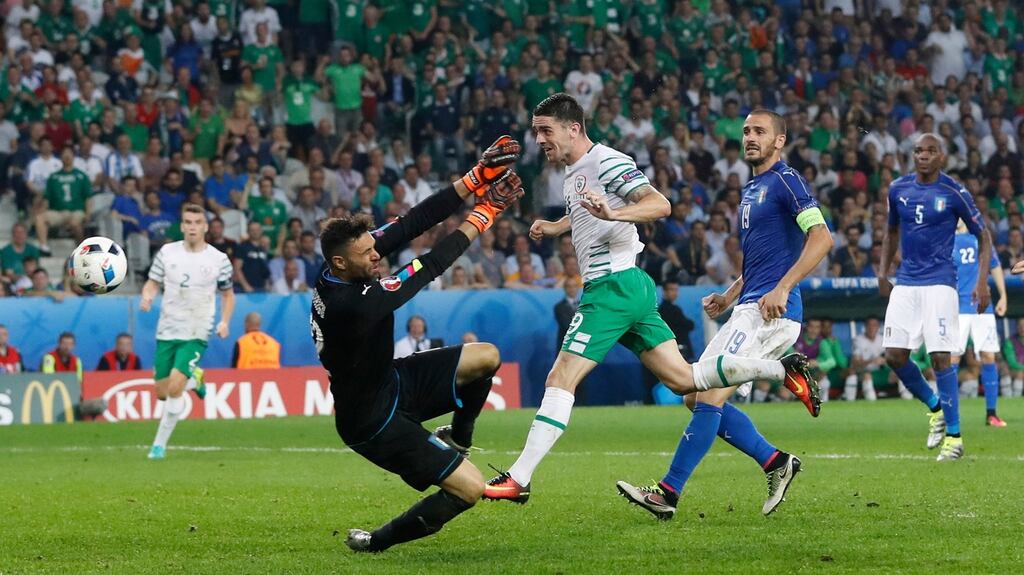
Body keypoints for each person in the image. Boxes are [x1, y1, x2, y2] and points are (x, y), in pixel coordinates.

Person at [485, 95, 819, 506]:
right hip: (633, 289)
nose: (538, 139)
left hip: (613, 287)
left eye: (545, 130)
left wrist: (614, 215)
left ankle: (522, 478)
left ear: (573, 128)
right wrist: (557, 226)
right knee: (686, 384)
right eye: (536, 131)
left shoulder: (607, 161)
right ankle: (774, 452)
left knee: (561, 378)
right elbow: (592, 211)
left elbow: (659, 203)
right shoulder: (575, 173)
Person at [310, 137, 524, 553]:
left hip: (391, 382)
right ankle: (375, 542)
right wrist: (485, 212)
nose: (377, 255)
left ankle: (459, 437)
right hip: (371, 423)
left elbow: (411, 224)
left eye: (374, 247)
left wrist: (475, 178)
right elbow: (427, 266)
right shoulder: (350, 305)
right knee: (470, 488)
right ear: (340, 263)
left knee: (486, 356)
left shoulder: (343, 265)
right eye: (368, 253)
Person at [616, 109, 832, 519]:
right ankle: (775, 462)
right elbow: (759, 261)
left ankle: (667, 493)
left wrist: (783, 288)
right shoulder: (752, 190)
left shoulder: (787, 181)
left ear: (779, 141)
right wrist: (731, 293)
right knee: (692, 394)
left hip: (772, 313)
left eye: (760, 131)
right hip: (747, 308)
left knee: (709, 394)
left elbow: (822, 239)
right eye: (747, 130)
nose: (750, 137)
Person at [878, 133, 991, 462]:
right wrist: (883, 272)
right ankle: (935, 408)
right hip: (906, 282)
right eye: (918, 151)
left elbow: (984, 238)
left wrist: (982, 283)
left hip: (941, 282)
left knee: (941, 358)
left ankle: (954, 439)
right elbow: (891, 232)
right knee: (894, 356)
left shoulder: (954, 191)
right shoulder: (898, 189)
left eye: (930, 151)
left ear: (942, 156)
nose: (923, 155)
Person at [140, 203, 235, 460]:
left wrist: (224, 321)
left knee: (173, 388)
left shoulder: (219, 260)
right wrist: (147, 296)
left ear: (205, 227)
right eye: (188, 222)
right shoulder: (167, 253)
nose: (192, 227)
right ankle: (195, 379)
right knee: (162, 392)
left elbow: (227, 295)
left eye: (197, 223)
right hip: (168, 328)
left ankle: (159, 446)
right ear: (182, 226)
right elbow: (152, 282)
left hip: (197, 329)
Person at [951, 222, 1008, 426]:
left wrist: (1003, 296)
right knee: (953, 359)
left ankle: (991, 414)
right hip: (957, 307)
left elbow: (994, 265)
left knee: (989, 356)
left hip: (983, 308)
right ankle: (949, 415)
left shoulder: (981, 238)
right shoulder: (946, 240)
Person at [845, 318, 885, 401]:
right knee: (864, 375)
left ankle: (908, 400)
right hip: (862, 371)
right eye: (869, 325)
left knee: (899, 373)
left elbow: (890, 358)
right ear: (865, 326)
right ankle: (871, 402)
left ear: (878, 327)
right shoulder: (858, 340)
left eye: (874, 325)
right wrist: (871, 361)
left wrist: (884, 360)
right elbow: (855, 362)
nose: (871, 328)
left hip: (880, 372)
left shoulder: (883, 340)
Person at [1004, 318, 1024, 398]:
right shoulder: (1010, 342)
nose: (1023, 328)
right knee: (1020, 374)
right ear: (1016, 327)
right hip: (1014, 371)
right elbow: (1012, 363)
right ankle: (1015, 398)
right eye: (1020, 326)